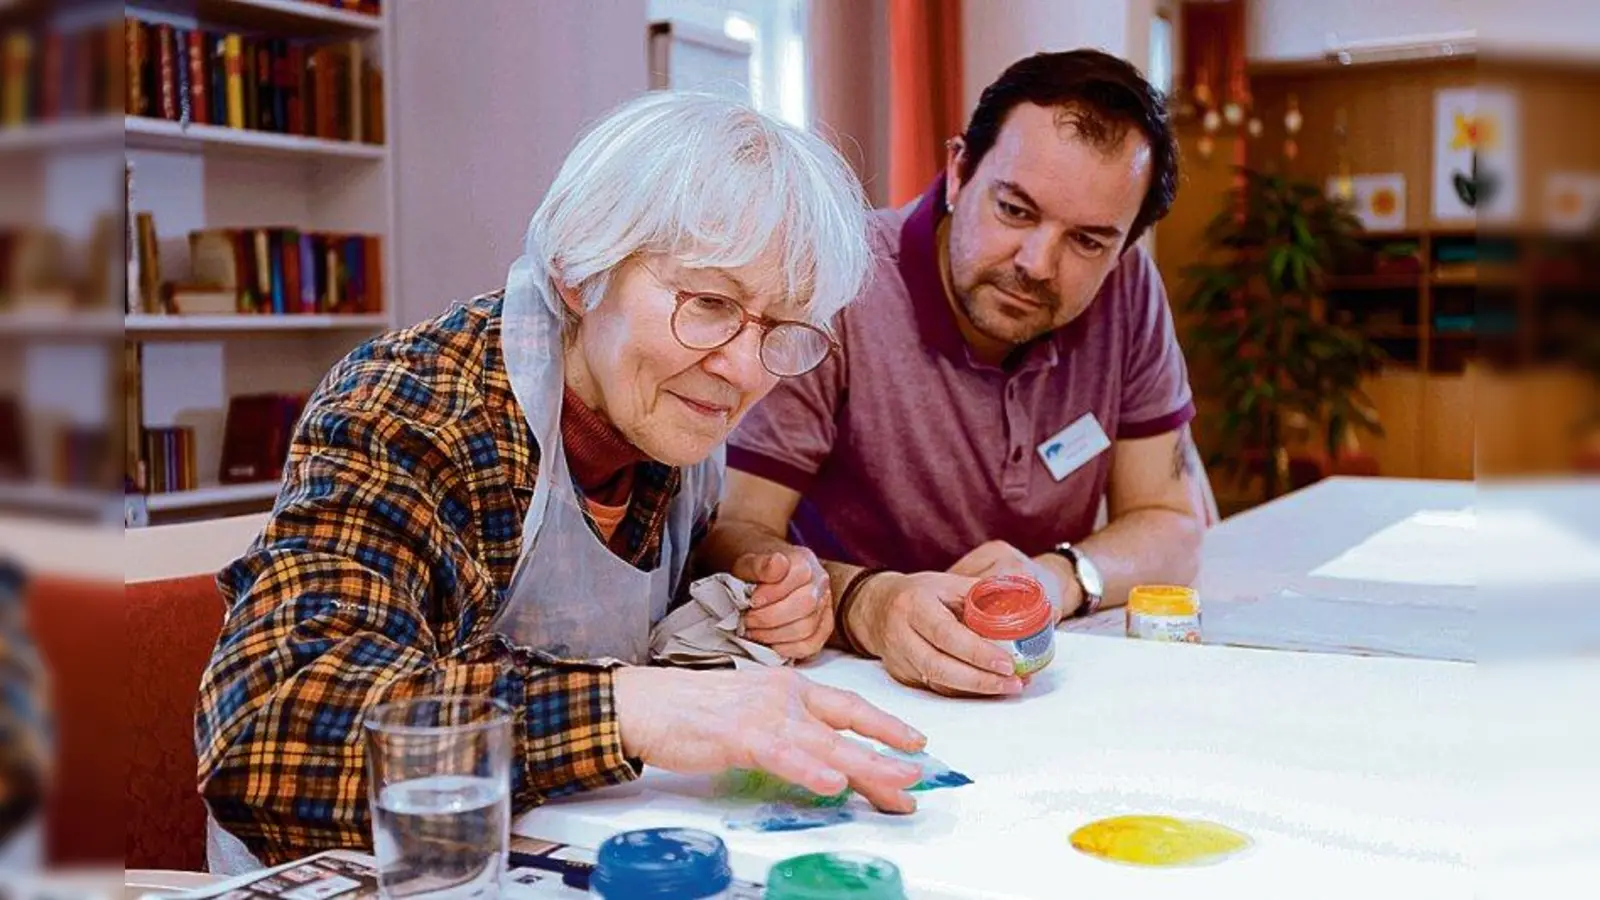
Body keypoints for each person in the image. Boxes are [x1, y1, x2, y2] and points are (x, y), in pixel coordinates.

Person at [195, 91, 929, 870]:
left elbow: (626, 598)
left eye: (780, 330)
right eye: (710, 303)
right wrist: (628, 709)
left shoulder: (664, 412)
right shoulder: (412, 410)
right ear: (580, 275)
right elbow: (268, 730)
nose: (745, 372)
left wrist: (758, 592)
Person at [701, 49, 1206, 696]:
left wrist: (1056, 578)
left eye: (1087, 241)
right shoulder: (839, 282)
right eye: (1016, 211)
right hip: (853, 683)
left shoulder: (1127, 290)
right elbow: (731, 534)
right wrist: (870, 603)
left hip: (1039, 685)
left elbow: (1173, 526)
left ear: (1124, 246)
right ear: (959, 171)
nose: (1037, 263)